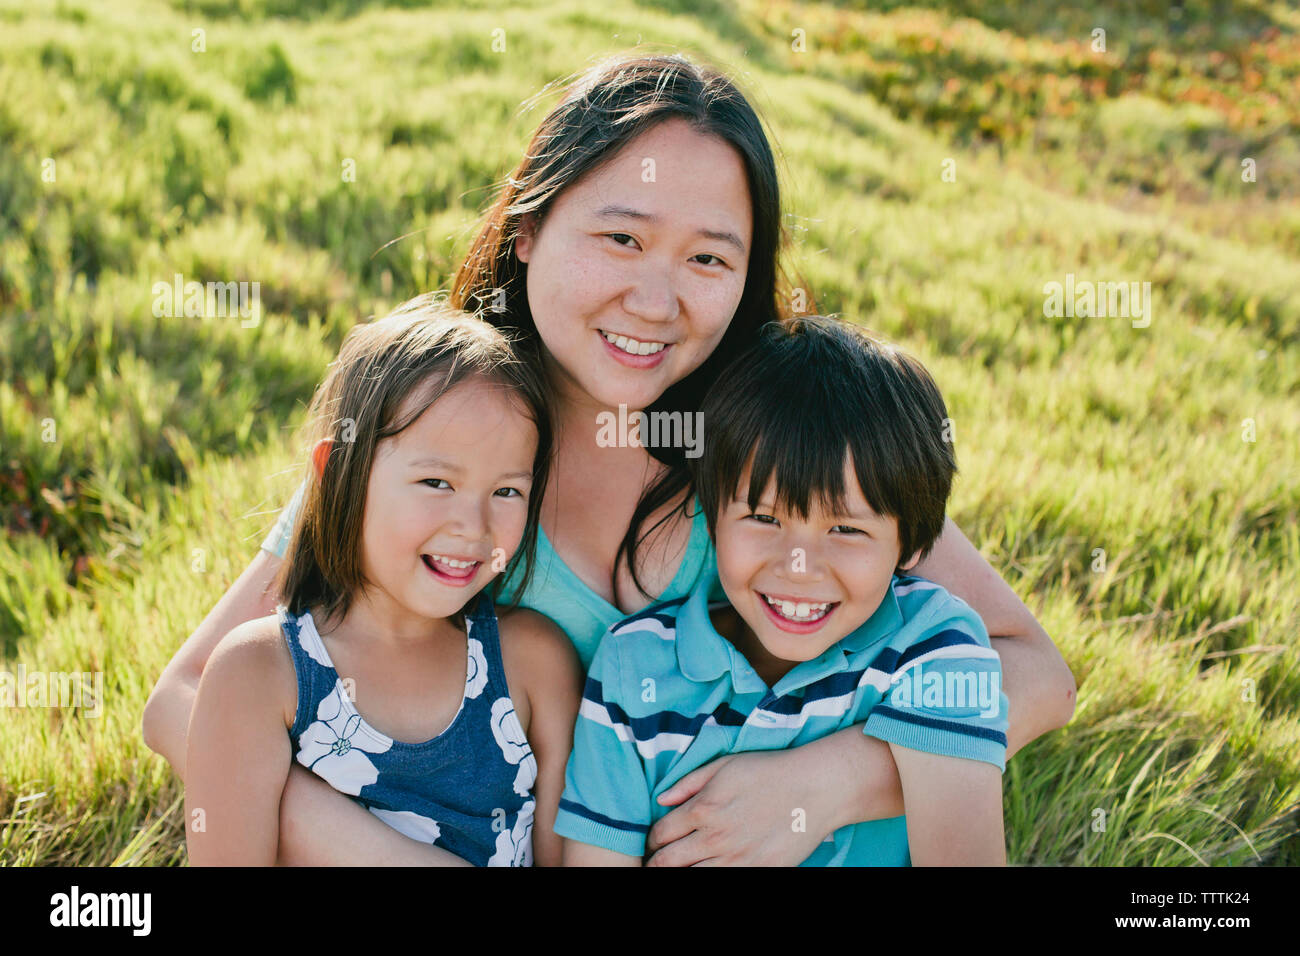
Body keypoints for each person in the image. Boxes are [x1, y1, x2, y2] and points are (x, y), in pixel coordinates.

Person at [145, 51, 1075, 866]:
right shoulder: (438, 437)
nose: (656, 300)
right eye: (621, 238)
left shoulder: (778, 442)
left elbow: (1034, 669)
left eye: (710, 260)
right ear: (528, 228)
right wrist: (352, 841)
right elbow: (183, 699)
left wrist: (832, 782)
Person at [558, 316, 1008, 865]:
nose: (799, 567)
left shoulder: (934, 650)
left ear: (910, 545)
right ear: (711, 514)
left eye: (846, 530)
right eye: (765, 519)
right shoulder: (634, 666)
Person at [183, 299, 583, 866]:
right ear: (338, 476)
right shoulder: (259, 675)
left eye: (507, 491)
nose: (472, 526)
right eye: (436, 481)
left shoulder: (534, 663)